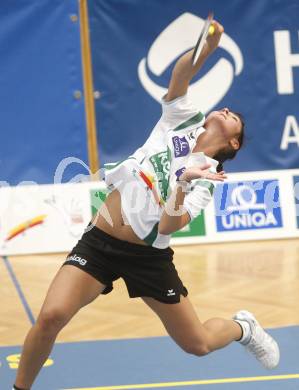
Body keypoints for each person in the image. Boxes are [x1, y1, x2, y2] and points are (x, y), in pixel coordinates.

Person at [13, 19, 279, 390]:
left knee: (197, 344)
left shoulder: (208, 180)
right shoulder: (183, 119)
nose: (227, 110)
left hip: (147, 259)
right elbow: (180, 76)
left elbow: (169, 226)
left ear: (233, 143)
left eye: (234, 118)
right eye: (227, 109)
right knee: (51, 316)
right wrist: (207, 48)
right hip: (100, 243)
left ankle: (242, 327)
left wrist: (184, 183)